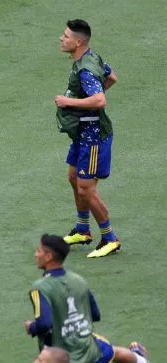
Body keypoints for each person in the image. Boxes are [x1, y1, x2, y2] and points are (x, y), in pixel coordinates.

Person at [25, 234, 149, 363]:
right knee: (114, 352)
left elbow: (44, 324)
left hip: (62, 359)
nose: (36, 254)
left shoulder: (40, 287)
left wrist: (31, 327)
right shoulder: (79, 280)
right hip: (87, 347)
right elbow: (95, 315)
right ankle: (140, 360)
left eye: (39, 251)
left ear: (49, 256)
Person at [56, 20, 120, 258]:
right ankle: (83, 229)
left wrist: (69, 102)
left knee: (86, 190)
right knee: (73, 177)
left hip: (93, 137)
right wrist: (89, 98)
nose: (61, 39)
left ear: (78, 41)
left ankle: (109, 237)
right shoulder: (92, 57)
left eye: (65, 36)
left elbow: (100, 100)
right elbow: (112, 77)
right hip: (82, 134)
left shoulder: (85, 70)